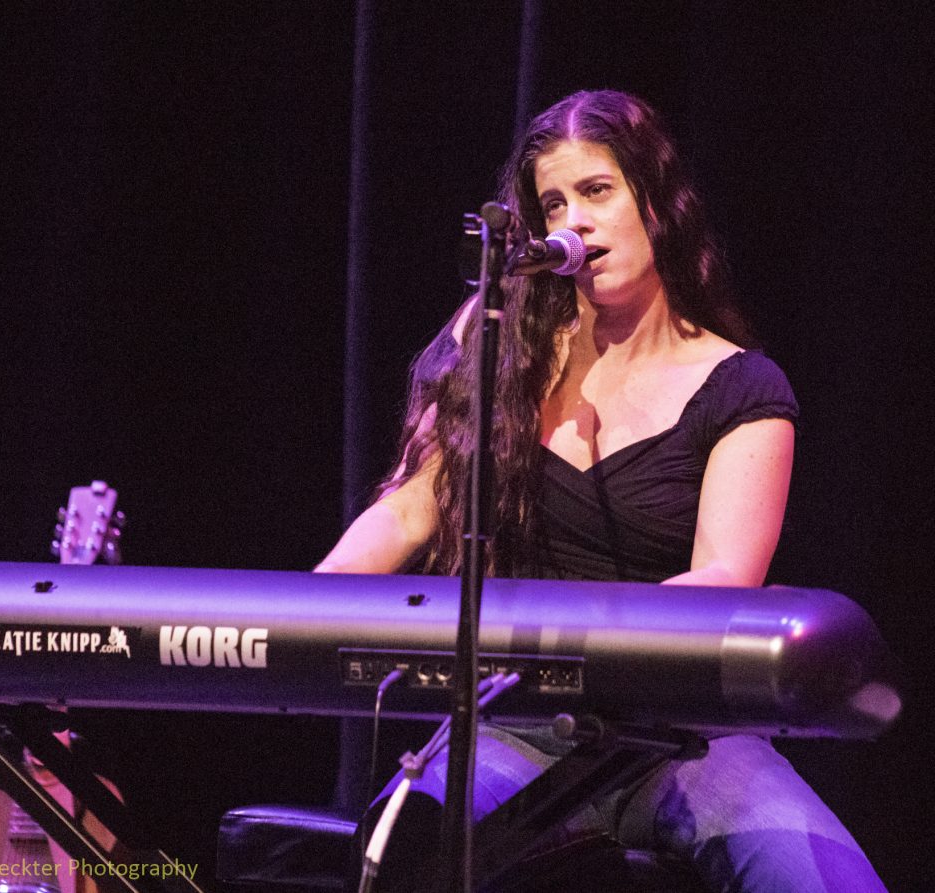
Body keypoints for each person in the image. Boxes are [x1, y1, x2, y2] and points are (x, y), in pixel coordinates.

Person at [316, 90, 885, 892]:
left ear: (655, 201)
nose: (573, 222)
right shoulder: (500, 342)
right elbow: (412, 505)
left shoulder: (742, 387)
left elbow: (725, 577)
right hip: (516, 722)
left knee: (823, 875)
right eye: (553, 203)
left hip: (680, 736)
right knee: (403, 847)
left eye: (596, 191)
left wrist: (591, 650)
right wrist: (313, 609)